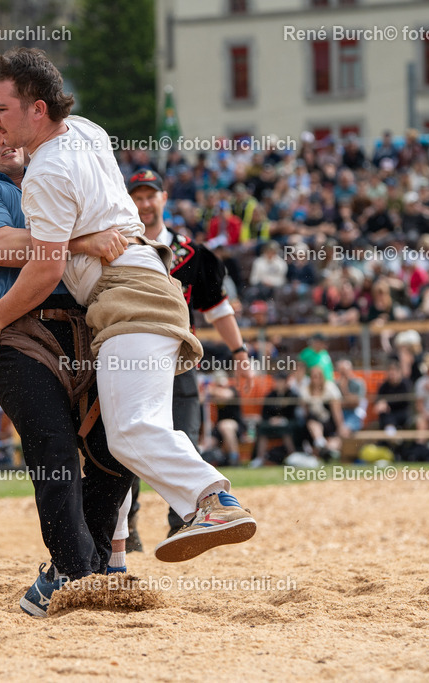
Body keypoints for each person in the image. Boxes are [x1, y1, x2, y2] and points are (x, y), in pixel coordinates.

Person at [0, 49, 255, 576]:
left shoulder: (41, 176)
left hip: (118, 298)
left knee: (127, 434)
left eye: (1, 112)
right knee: (117, 437)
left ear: (36, 110)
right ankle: (100, 564)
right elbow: (6, 242)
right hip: (130, 292)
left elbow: (43, 264)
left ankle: (208, 502)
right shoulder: (83, 130)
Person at [0, 98, 137, 614]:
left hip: (84, 323)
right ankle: (77, 573)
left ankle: (78, 570)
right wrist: (82, 241)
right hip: (13, 330)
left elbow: (76, 126)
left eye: (3, 128)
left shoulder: (51, 167)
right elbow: (4, 247)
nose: (2, 140)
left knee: (117, 444)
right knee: (52, 447)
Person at [122, 167, 255, 538]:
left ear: (164, 198)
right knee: (126, 441)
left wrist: (240, 353)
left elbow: (219, 310)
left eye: (151, 196)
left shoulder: (195, 254)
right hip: (129, 361)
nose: (145, 204)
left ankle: (183, 523)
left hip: (179, 362)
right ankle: (126, 526)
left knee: (185, 436)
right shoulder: (118, 247)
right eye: (137, 197)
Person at [299, 365, 349, 458]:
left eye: (318, 376)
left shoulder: (330, 388)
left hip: (329, 421)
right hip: (313, 424)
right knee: (312, 422)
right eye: (313, 376)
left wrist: (340, 426)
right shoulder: (306, 390)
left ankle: (325, 449)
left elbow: (336, 411)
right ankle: (320, 443)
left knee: (337, 438)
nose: (316, 379)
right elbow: (305, 411)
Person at [253, 372, 299, 463]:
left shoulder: (292, 395)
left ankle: (293, 456)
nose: (278, 383)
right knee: (262, 429)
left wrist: (282, 418)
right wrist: (272, 419)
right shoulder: (270, 395)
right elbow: (265, 414)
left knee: (286, 430)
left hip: (288, 423)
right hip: (272, 423)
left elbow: (293, 413)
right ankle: (260, 458)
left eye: (281, 381)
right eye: (277, 381)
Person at [373, 360, 413, 430]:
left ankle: (392, 433)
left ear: (399, 372)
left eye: (394, 373)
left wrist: (387, 404)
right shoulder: (384, 386)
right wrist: (379, 404)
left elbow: (404, 400)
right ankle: (390, 434)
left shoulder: (406, 384)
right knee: (384, 415)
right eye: (390, 373)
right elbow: (378, 399)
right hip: (388, 414)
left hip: (402, 413)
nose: (391, 375)